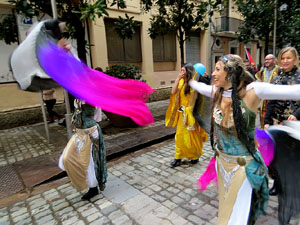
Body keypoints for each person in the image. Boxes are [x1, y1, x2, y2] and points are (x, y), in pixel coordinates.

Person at [189, 54, 300, 225]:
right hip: (222, 164)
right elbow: (201, 88)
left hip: (244, 168)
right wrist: (191, 81)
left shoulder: (253, 91)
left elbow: (293, 91)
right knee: (225, 212)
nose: (213, 73)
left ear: (230, 72)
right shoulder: (218, 92)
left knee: (237, 216)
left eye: (217, 69)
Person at [263, 47, 300, 196]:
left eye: (288, 58)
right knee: (276, 156)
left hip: (294, 124)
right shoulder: (277, 78)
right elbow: (270, 101)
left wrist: (297, 114)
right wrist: (266, 121)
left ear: (296, 59)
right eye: (282, 58)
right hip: (276, 123)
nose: (285, 61)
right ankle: (278, 184)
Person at [59, 99, 107, 200]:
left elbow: (97, 118)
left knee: (90, 162)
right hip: (78, 134)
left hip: (90, 134)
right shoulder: (76, 99)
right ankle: (81, 178)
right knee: (66, 158)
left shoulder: (92, 98)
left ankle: (93, 188)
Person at [165, 63, 208, 167]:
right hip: (181, 114)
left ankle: (194, 156)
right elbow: (173, 91)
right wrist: (177, 78)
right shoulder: (180, 81)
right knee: (179, 135)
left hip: (191, 114)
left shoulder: (193, 83)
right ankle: (178, 157)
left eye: (183, 70)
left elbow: (200, 97)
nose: (181, 72)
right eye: (181, 70)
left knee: (192, 136)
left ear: (188, 72)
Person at [255, 54, 280, 128]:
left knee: (273, 118)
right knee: (263, 117)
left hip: (274, 98)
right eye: (265, 59)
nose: (266, 61)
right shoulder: (262, 71)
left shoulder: (279, 70)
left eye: (268, 59)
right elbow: (258, 82)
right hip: (263, 98)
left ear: (274, 60)